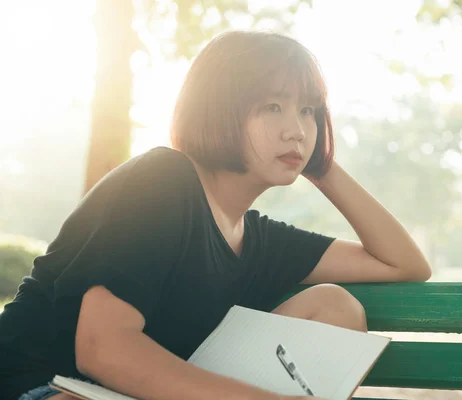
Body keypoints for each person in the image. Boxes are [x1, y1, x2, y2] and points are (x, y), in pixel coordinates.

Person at [0, 30, 431, 400]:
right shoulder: (162, 182)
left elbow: (404, 264)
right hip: (43, 388)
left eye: (308, 111)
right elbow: (101, 349)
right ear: (218, 110)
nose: (296, 130)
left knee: (335, 306)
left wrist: (322, 166)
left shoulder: (258, 238)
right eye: (272, 107)